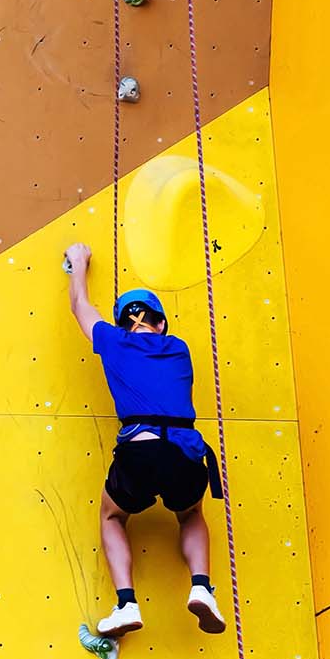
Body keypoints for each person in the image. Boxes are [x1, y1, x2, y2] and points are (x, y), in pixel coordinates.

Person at [64, 242, 225, 638]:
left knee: (112, 515)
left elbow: (80, 306)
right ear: (161, 324)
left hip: (140, 446)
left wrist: (79, 263)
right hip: (185, 450)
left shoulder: (114, 342)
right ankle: (202, 587)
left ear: (122, 324)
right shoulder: (178, 348)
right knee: (189, 513)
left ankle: (125, 603)